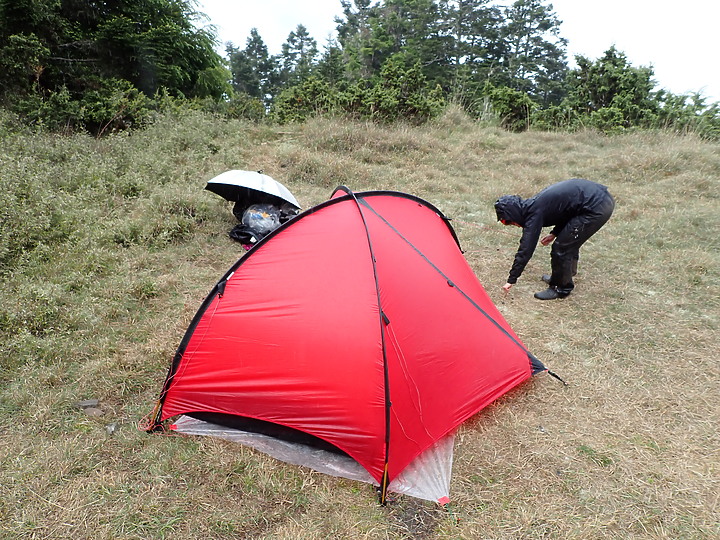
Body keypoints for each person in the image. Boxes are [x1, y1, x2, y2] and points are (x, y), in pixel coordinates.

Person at [494, 178, 615, 300]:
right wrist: (554, 233)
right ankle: (564, 275)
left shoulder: (534, 215)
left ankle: (561, 288)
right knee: (567, 240)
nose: (512, 224)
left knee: (561, 248)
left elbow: (526, 250)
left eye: (508, 221)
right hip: (595, 200)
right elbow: (567, 211)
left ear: (515, 213)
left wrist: (511, 280)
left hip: (596, 207)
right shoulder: (534, 205)